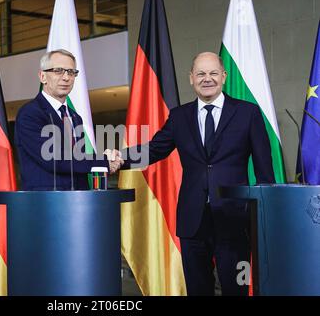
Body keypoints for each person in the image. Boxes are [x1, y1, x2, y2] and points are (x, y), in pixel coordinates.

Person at [117, 52, 275, 295]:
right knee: (198, 290)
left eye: (213, 73)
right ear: (191, 78)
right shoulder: (179, 116)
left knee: (237, 289)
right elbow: (155, 150)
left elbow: (265, 170)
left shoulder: (248, 113)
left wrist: (264, 218)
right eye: (200, 73)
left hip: (234, 220)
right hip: (193, 220)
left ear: (224, 76)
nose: (207, 79)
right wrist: (121, 159)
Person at [15, 49, 122, 190]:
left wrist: (114, 158)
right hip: (46, 203)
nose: (66, 77)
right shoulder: (30, 114)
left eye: (71, 72)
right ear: (42, 77)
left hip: (80, 202)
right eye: (58, 71)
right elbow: (54, 159)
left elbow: (80, 158)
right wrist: (104, 161)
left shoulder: (75, 117)